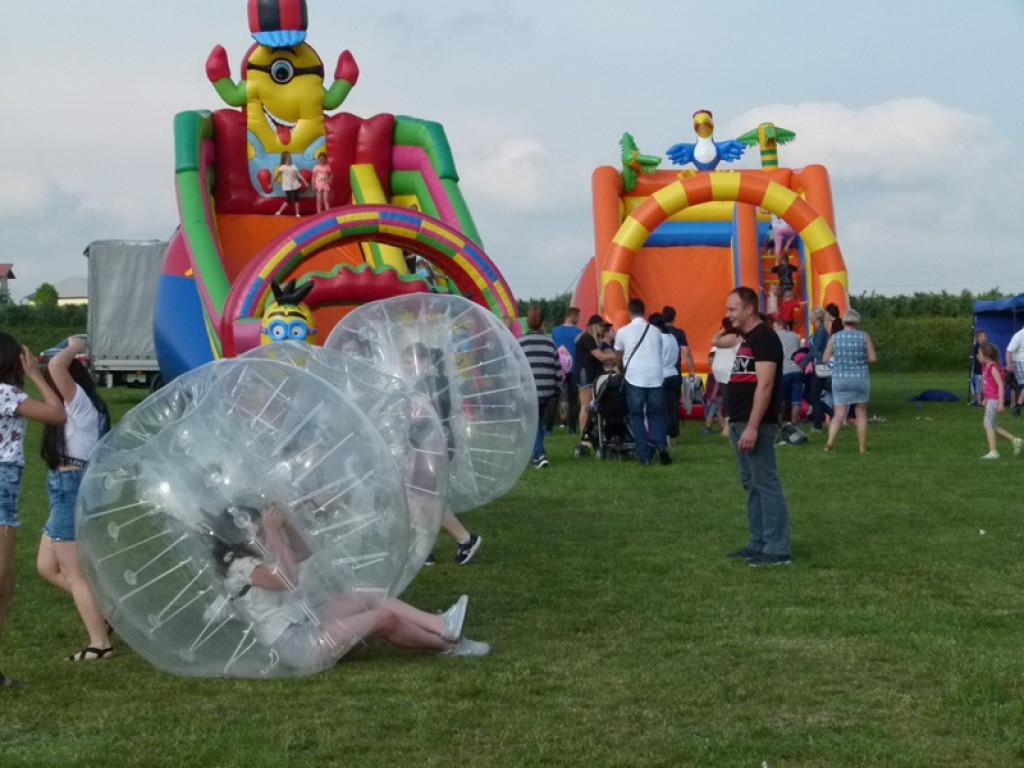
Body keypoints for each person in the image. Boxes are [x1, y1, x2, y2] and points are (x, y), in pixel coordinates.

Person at [212, 504, 488, 668]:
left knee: (364, 594)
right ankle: (449, 647)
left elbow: (303, 551)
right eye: (257, 532)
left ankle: (443, 624)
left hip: (308, 620)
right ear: (238, 539)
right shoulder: (238, 568)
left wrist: (287, 520)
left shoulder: (260, 550)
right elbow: (286, 580)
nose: (262, 534)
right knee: (383, 619)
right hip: (295, 644)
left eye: (262, 529)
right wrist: (272, 534)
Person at [36, 337, 114, 661]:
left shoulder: (80, 403)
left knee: (74, 572)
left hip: (71, 485)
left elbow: (56, 365)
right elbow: (50, 375)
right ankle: (105, 616)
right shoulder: (69, 407)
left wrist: (73, 345)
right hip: (62, 486)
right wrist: (33, 373)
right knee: (46, 566)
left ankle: (100, 643)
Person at [0, 332, 67, 688]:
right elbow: (57, 414)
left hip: (5, 484)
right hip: (1, 483)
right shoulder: (6, 393)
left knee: (6, 579)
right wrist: (38, 376)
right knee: (0, 576)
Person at [723, 287, 792, 567]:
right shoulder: (747, 338)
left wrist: (753, 426)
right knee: (751, 483)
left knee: (765, 482)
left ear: (749, 308)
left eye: (732, 309)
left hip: (756, 424)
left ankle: (777, 548)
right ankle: (758, 541)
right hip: (740, 421)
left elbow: (765, 385)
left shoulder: (764, 337)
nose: (729, 315)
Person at [401, 343, 481, 565]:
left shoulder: (424, 384)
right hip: (435, 444)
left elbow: (421, 416)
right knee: (420, 496)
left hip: (429, 445)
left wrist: (401, 411)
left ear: (424, 362)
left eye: (409, 362)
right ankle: (425, 550)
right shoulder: (437, 381)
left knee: (420, 496)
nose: (405, 367)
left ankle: (465, 539)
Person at [613, 298, 669, 466]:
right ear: (644, 312)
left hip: (635, 376)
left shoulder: (623, 332)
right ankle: (662, 448)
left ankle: (644, 454)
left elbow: (618, 355)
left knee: (637, 416)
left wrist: (621, 367)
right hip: (655, 376)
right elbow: (659, 351)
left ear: (629, 312)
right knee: (655, 414)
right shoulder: (655, 331)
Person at [823, 309, 877, 454]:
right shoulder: (864, 336)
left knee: (839, 414)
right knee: (861, 413)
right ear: (857, 322)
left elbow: (825, 359)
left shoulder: (834, 337)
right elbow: (872, 358)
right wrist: (859, 360)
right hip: (860, 379)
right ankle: (862, 448)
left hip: (840, 379)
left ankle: (829, 442)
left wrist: (840, 361)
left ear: (843, 321)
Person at [518, 307, 560, 469]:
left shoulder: (519, 343)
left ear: (527, 322)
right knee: (537, 421)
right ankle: (536, 454)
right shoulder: (550, 343)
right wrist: (556, 389)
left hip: (528, 390)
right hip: (546, 390)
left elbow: (516, 369)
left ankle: (540, 454)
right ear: (542, 322)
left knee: (533, 422)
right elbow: (557, 369)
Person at [976, 342, 1022, 459]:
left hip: (994, 400)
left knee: (988, 424)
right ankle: (1015, 440)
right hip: (990, 399)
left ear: (986, 356)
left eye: (980, 353)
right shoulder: (986, 367)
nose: (978, 355)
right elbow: (989, 386)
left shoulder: (993, 368)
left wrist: (1001, 402)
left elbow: (1000, 385)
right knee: (992, 425)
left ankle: (994, 452)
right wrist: (985, 398)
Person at [575, 315, 617, 444]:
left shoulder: (591, 339)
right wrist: (618, 354)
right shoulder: (587, 339)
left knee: (592, 404)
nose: (603, 328)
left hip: (592, 372)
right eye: (601, 326)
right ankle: (584, 437)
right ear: (595, 326)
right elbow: (600, 356)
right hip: (586, 373)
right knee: (586, 405)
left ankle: (590, 434)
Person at [650, 313, 682, 444]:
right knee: (673, 406)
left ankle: (666, 434)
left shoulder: (658, 339)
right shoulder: (672, 337)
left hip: (662, 375)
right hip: (674, 373)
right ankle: (673, 432)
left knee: (663, 407)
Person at [549, 308, 583, 434]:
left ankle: (548, 428)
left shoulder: (555, 331)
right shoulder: (579, 332)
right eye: (577, 317)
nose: (579, 319)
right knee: (573, 399)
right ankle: (573, 428)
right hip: (574, 369)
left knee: (555, 398)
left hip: (558, 368)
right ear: (572, 316)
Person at [710, 317, 742, 437]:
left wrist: (723, 331)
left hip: (729, 374)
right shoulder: (732, 336)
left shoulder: (732, 337)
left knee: (729, 401)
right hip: (725, 374)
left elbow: (713, 341)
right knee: (728, 401)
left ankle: (728, 428)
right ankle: (729, 427)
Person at [772, 316, 803, 424]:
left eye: (774, 326)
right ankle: (795, 421)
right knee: (796, 398)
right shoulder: (795, 336)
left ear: (780, 326)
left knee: (779, 397)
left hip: (783, 370)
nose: (773, 329)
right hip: (797, 368)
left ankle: (779, 421)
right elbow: (799, 351)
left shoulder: (774, 336)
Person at [806, 306, 831, 431]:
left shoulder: (820, 332)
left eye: (811, 316)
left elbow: (815, 350)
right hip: (818, 366)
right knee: (809, 394)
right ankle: (833, 414)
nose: (809, 318)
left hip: (820, 366)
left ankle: (817, 426)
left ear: (815, 318)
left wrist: (803, 362)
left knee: (814, 396)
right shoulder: (818, 331)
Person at [274, 151, 308, 217]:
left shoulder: (294, 166)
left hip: (295, 185)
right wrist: (272, 183)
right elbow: (277, 176)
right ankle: (279, 211)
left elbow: (299, 175)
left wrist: (305, 181)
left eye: (289, 157)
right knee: (289, 200)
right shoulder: (282, 167)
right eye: (287, 157)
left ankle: (297, 213)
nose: (289, 158)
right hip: (287, 186)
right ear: (284, 159)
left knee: (296, 199)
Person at [1005, 326, 1024, 416]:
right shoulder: (1019, 335)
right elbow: (1009, 351)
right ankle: (1017, 406)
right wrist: (1009, 364)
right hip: (1020, 362)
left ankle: (1017, 406)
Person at [970, 329, 989, 407]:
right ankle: (979, 402)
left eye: (986, 336)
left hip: (986, 369)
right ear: (978, 337)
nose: (985, 337)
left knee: (986, 385)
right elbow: (980, 359)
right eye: (983, 336)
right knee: (979, 386)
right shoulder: (976, 347)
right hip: (979, 370)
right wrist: (986, 363)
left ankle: (985, 402)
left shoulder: (987, 346)